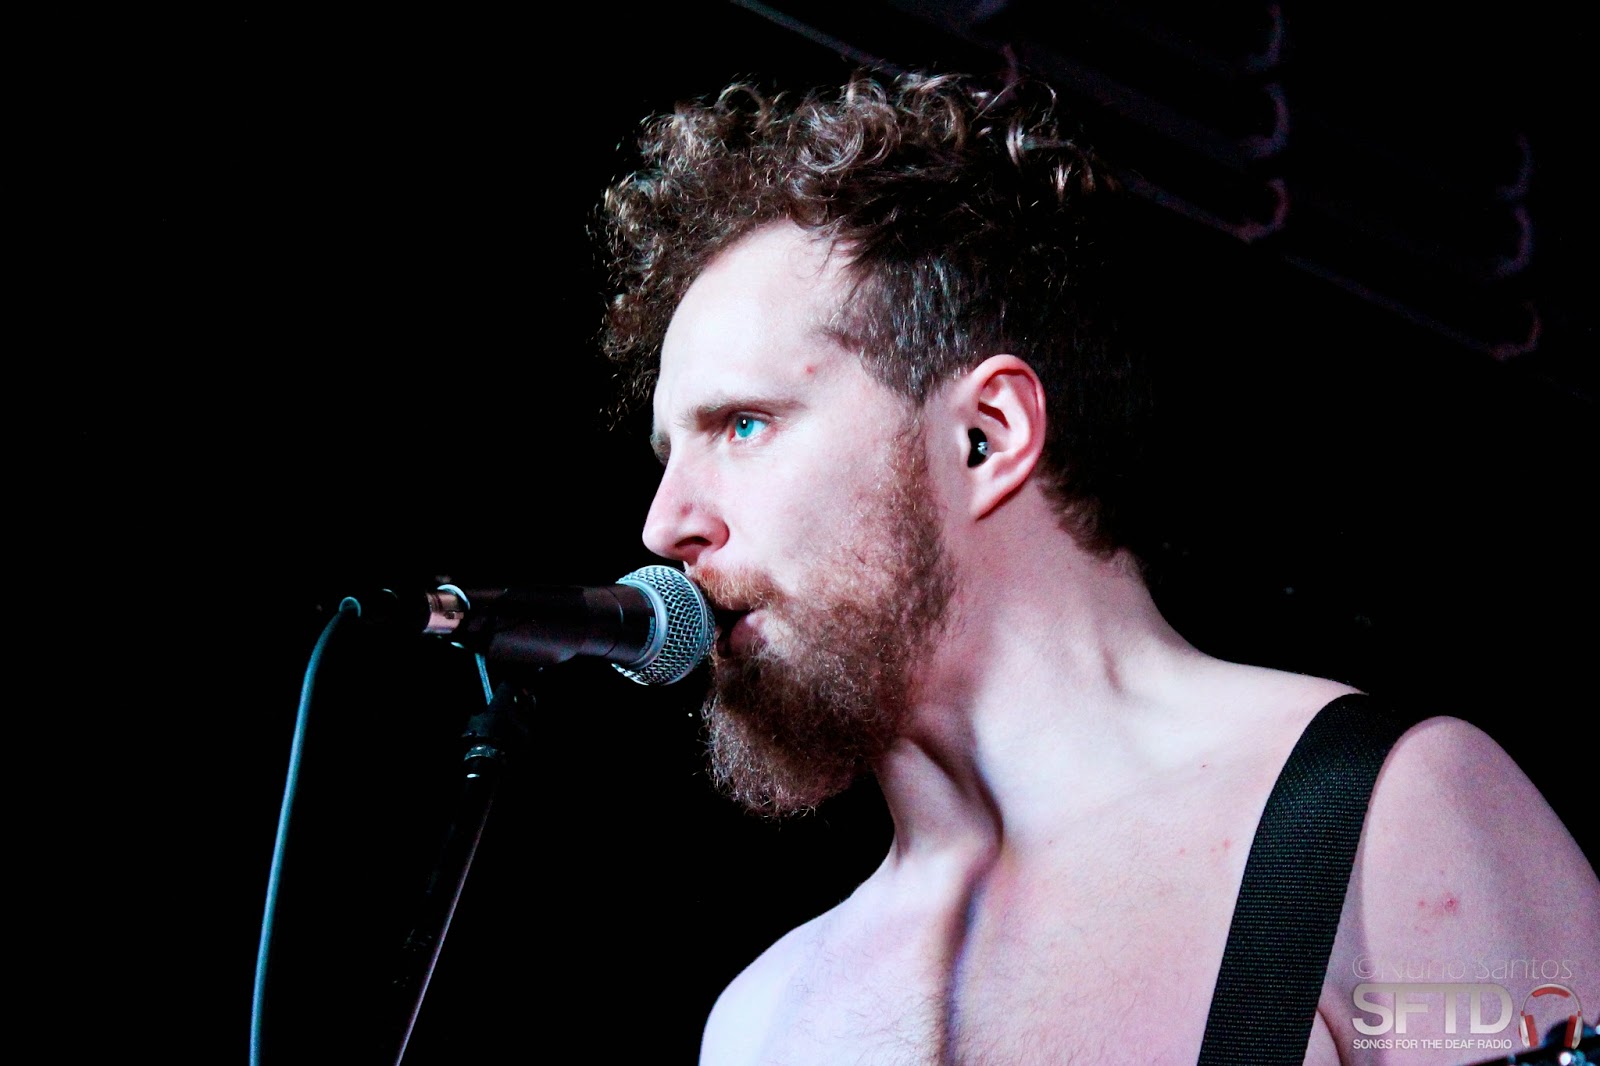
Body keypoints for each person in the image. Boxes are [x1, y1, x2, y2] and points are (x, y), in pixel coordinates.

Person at [596, 70, 1599, 1065]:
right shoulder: (759, 1022)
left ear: (987, 437)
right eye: (667, 456)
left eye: (743, 424)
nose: (664, 524)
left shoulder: (1387, 819)